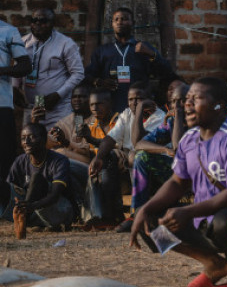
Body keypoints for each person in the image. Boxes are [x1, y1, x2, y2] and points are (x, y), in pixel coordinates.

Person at [129, 77, 227, 287]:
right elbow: (178, 182)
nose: (187, 104)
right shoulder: (189, 139)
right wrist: (146, 208)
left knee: (226, 219)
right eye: (187, 99)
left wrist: (188, 211)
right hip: (206, 222)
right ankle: (214, 264)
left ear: (219, 106)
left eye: (196, 99)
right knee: (147, 218)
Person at [119, 83, 190, 232]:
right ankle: (137, 214)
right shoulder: (171, 121)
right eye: (173, 102)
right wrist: (163, 148)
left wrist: (177, 114)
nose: (177, 105)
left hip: (199, 176)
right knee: (141, 156)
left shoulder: (198, 119)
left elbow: (179, 148)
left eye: (181, 101)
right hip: (177, 176)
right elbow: (139, 143)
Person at [84, 7, 176, 113]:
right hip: (111, 109)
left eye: (124, 19)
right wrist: (99, 82)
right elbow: (87, 76)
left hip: (139, 108)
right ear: (112, 24)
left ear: (133, 23)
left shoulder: (144, 48)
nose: (120, 22)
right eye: (116, 19)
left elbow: (167, 71)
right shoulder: (103, 51)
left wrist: (151, 54)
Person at [15, 8, 84, 129]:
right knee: (32, 144)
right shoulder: (22, 43)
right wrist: (14, 88)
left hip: (58, 108)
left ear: (52, 23)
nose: (38, 24)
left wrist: (58, 95)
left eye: (43, 21)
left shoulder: (65, 44)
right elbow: (17, 69)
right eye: (34, 20)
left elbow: (78, 74)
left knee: (58, 144)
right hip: (31, 108)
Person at [2, 123, 75, 236]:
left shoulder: (59, 160)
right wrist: (20, 205)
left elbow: (55, 195)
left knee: (37, 179)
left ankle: (23, 219)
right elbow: (11, 190)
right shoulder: (20, 161)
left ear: (44, 139)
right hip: (31, 213)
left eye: (31, 137)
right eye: (23, 138)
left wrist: (30, 207)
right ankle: (23, 219)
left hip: (56, 212)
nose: (26, 141)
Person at [90, 82, 166, 175]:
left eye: (139, 99)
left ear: (150, 99)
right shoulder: (127, 114)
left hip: (152, 160)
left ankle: (136, 189)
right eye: (130, 99)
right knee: (106, 155)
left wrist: (139, 110)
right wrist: (98, 157)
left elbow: (137, 142)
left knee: (134, 156)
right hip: (128, 155)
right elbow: (111, 137)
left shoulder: (160, 117)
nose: (134, 103)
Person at [76, 89, 123, 223]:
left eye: (99, 104)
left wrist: (91, 139)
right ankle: (84, 214)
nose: (95, 108)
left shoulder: (120, 120)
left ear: (110, 104)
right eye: (91, 105)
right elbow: (89, 152)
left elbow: (115, 146)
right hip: (98, 168)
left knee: (108, 157)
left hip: (120, 167)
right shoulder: (90, 124)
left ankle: (110, 216)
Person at [0, 18, 31, 180]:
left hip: (2, 104)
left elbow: (25, 66)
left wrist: (2, 70)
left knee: (4, 157)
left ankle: (5, 201)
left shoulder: (8, 31)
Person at [48, 84, 94, 165]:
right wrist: (35, 121)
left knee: (61, 154)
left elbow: (89, 151)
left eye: (82, 97)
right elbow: (47, 144)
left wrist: (66, 142)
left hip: (91, 163)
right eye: (74, 97)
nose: (77, 99)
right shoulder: (65, 121)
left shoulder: (97, 119)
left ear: (91, 99)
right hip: (68, 161)